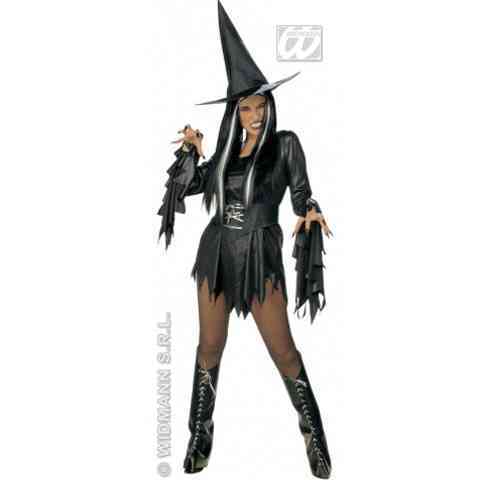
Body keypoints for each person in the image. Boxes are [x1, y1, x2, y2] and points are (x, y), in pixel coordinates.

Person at [157, 2, 334, 477]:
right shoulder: (225, 153)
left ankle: (314, 436)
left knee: (284, 350)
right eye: (246, 107)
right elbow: (189, 188)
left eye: (260, 105)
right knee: (209, 347)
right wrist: (190, 153)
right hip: (217, 252)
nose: (254, 114)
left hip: (259, 253)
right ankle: (199, 435)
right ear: (235, 112)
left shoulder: (286, 144)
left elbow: (301, 195)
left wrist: (311, 211)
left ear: (270, 105)